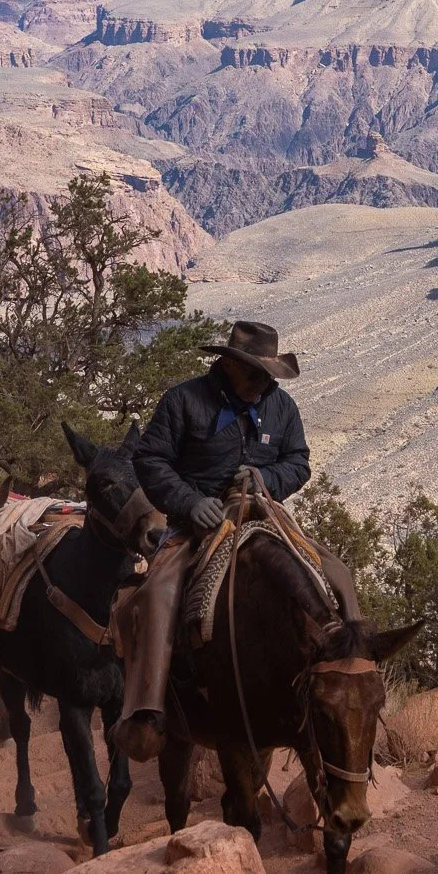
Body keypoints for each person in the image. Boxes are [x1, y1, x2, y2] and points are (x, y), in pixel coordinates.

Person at [111, 320, 314, 761]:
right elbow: (150, 459)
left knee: (330, 573)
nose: (261, 384)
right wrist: (188, 502)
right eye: (254, 373)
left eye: (268, 376)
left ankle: (343, 677)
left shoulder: (282, 408)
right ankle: (146, 712)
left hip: (263, 514)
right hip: (196, 522)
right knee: (159, 591)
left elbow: (299, 462)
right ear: (227, 362)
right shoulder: (183, 400)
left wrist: (267, 478)